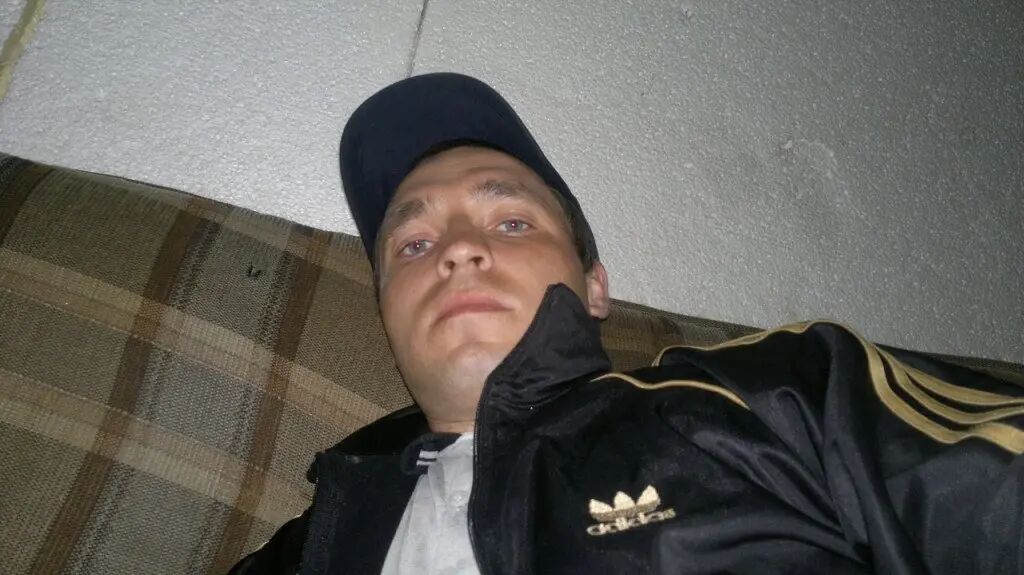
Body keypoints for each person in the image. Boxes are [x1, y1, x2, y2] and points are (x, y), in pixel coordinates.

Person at [230, 73, 1023, 575]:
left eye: (511, 222)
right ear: (386, 309)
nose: (459, 249)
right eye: (413, 243)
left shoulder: (775, 393)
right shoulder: (318, 533)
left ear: (595, 286)